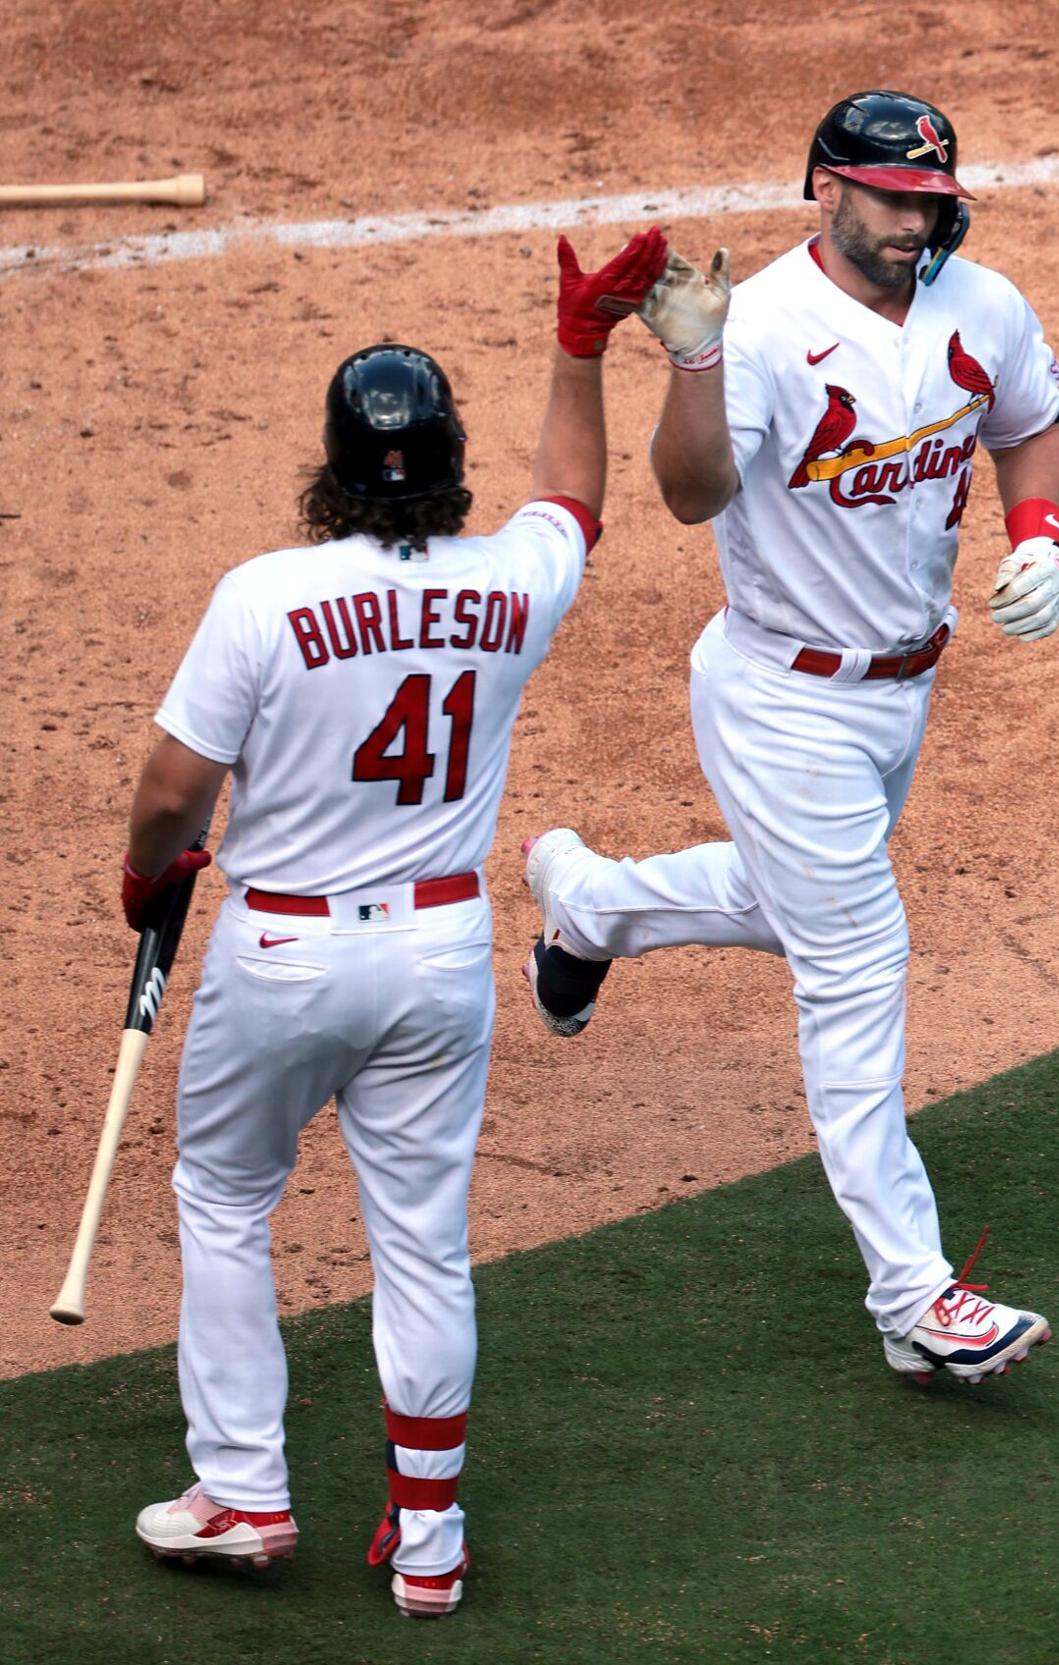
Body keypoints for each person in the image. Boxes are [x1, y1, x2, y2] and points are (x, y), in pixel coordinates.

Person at [122, 224, 667, 1616]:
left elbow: (173, 795)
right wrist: (581, 345)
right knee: (422, 1236)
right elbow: (574, 495)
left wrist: (152, 874)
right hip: (436, 956)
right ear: (446, 459)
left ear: (329, 464)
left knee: (226, 1195)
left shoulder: (263, 596)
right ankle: (429, 1538)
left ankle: (244, 1489)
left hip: (283, 953)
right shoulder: (509, 583)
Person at [520, 90, 1059, 1387]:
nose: (915, 225)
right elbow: (689, 491)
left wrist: (1041, 535)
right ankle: (914, 1296)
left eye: (932, 203)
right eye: (892, 201)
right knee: (856, 952)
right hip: (781, 697)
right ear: (827, 189)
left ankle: (590, 904)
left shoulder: (979, 306)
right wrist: (699, 364)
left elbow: (1034, 426)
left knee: (800, 903)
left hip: (901, 692)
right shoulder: (762, 327)